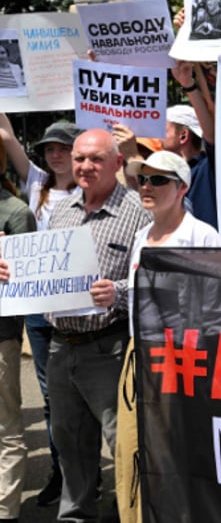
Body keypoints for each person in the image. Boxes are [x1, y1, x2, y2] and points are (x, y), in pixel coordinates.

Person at [0, 129, 151, 521]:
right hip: (60, 346)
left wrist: (116, 291)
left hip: (110, 346)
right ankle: (76, 515)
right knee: (69, 443)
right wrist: (10, 272)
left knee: (124, 444)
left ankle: (131, 514)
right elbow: (44, 272)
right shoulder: (64, 210)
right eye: (80, 158)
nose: (85, 166)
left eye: (96, 158)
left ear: (117, 163)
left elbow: (153, 275)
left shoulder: (139, 211)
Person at [113, 150, 221, 522]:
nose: (147, 186)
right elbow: (136, 294)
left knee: (178, 451)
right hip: (139, 356)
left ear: (182, 188)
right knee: (132, 448)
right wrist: (114, 293)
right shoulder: (141, 235)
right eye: (143, 179)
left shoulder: (204, 236)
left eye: (159, 180)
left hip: (185, 359)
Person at [0, 116, 81, 507]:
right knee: (51, 398)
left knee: (83, 396)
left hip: (79, 307)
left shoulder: (92, 188)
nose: (56, 155)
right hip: (38, 310)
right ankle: (62, 473)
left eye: (64, 148)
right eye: (50, 148)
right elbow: (7, 137)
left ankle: (85, 477)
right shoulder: (37, 184)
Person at [0, 136, 36, 522]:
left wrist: (11, 267)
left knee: (5, 428)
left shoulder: (16, 212)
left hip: (1, 337)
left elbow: (28, 285)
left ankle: (5, 511)